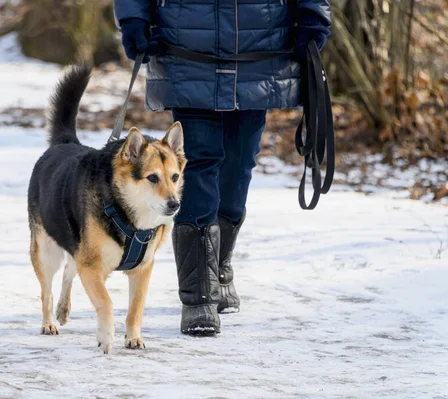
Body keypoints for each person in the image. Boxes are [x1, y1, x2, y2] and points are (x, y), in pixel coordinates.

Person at [113, 0, 331, 335]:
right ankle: (198, 295)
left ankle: (217, 264)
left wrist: (312, 17)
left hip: (260, 50)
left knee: (239, 162)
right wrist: (133, 19)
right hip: (187, 49)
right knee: (197, 164)